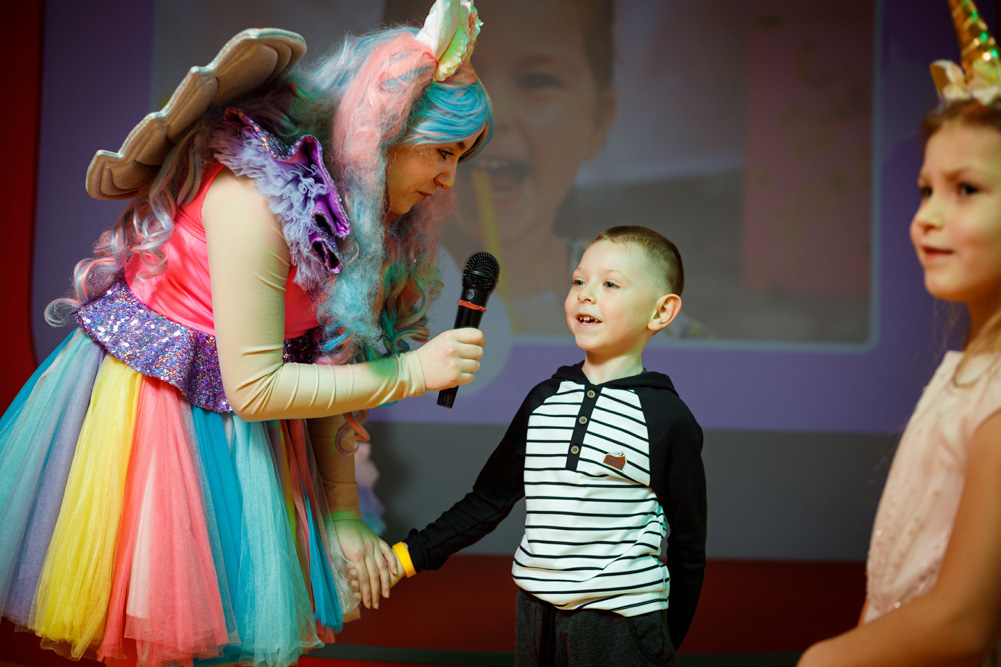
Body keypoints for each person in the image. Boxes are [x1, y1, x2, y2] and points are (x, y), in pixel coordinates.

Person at [0, 1, 493, 665]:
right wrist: (413, 372)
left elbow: (329, 358)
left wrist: (344, 512)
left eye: (460, 156)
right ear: (380, 134)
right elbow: (256, 388)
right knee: (176, 630)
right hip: (161, 413)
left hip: (250, 420)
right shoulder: (257, 199)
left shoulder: (358, 215)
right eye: (440, 151)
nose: (448, 178)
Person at [389, 226, 707, 666]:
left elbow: (689, 541)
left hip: (622, 623)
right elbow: (489, 499)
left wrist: (665, 637)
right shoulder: (543, 400)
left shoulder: (667, 418)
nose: (585, 294)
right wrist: (407, 556)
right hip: (535, 614)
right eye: (579, 280)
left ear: (662, 312)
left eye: (610, 284)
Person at [797, 2, 1001, 665]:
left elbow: (961, 621)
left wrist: (823, 659)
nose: (927, 217)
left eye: (965, 190)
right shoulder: (967, 367)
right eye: (924, 189)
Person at [384, 0, 618, 336]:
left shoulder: (647, 323)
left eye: (536, 80)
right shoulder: (359, 291)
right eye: (453, 76)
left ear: (600, 120)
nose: (492, 114)